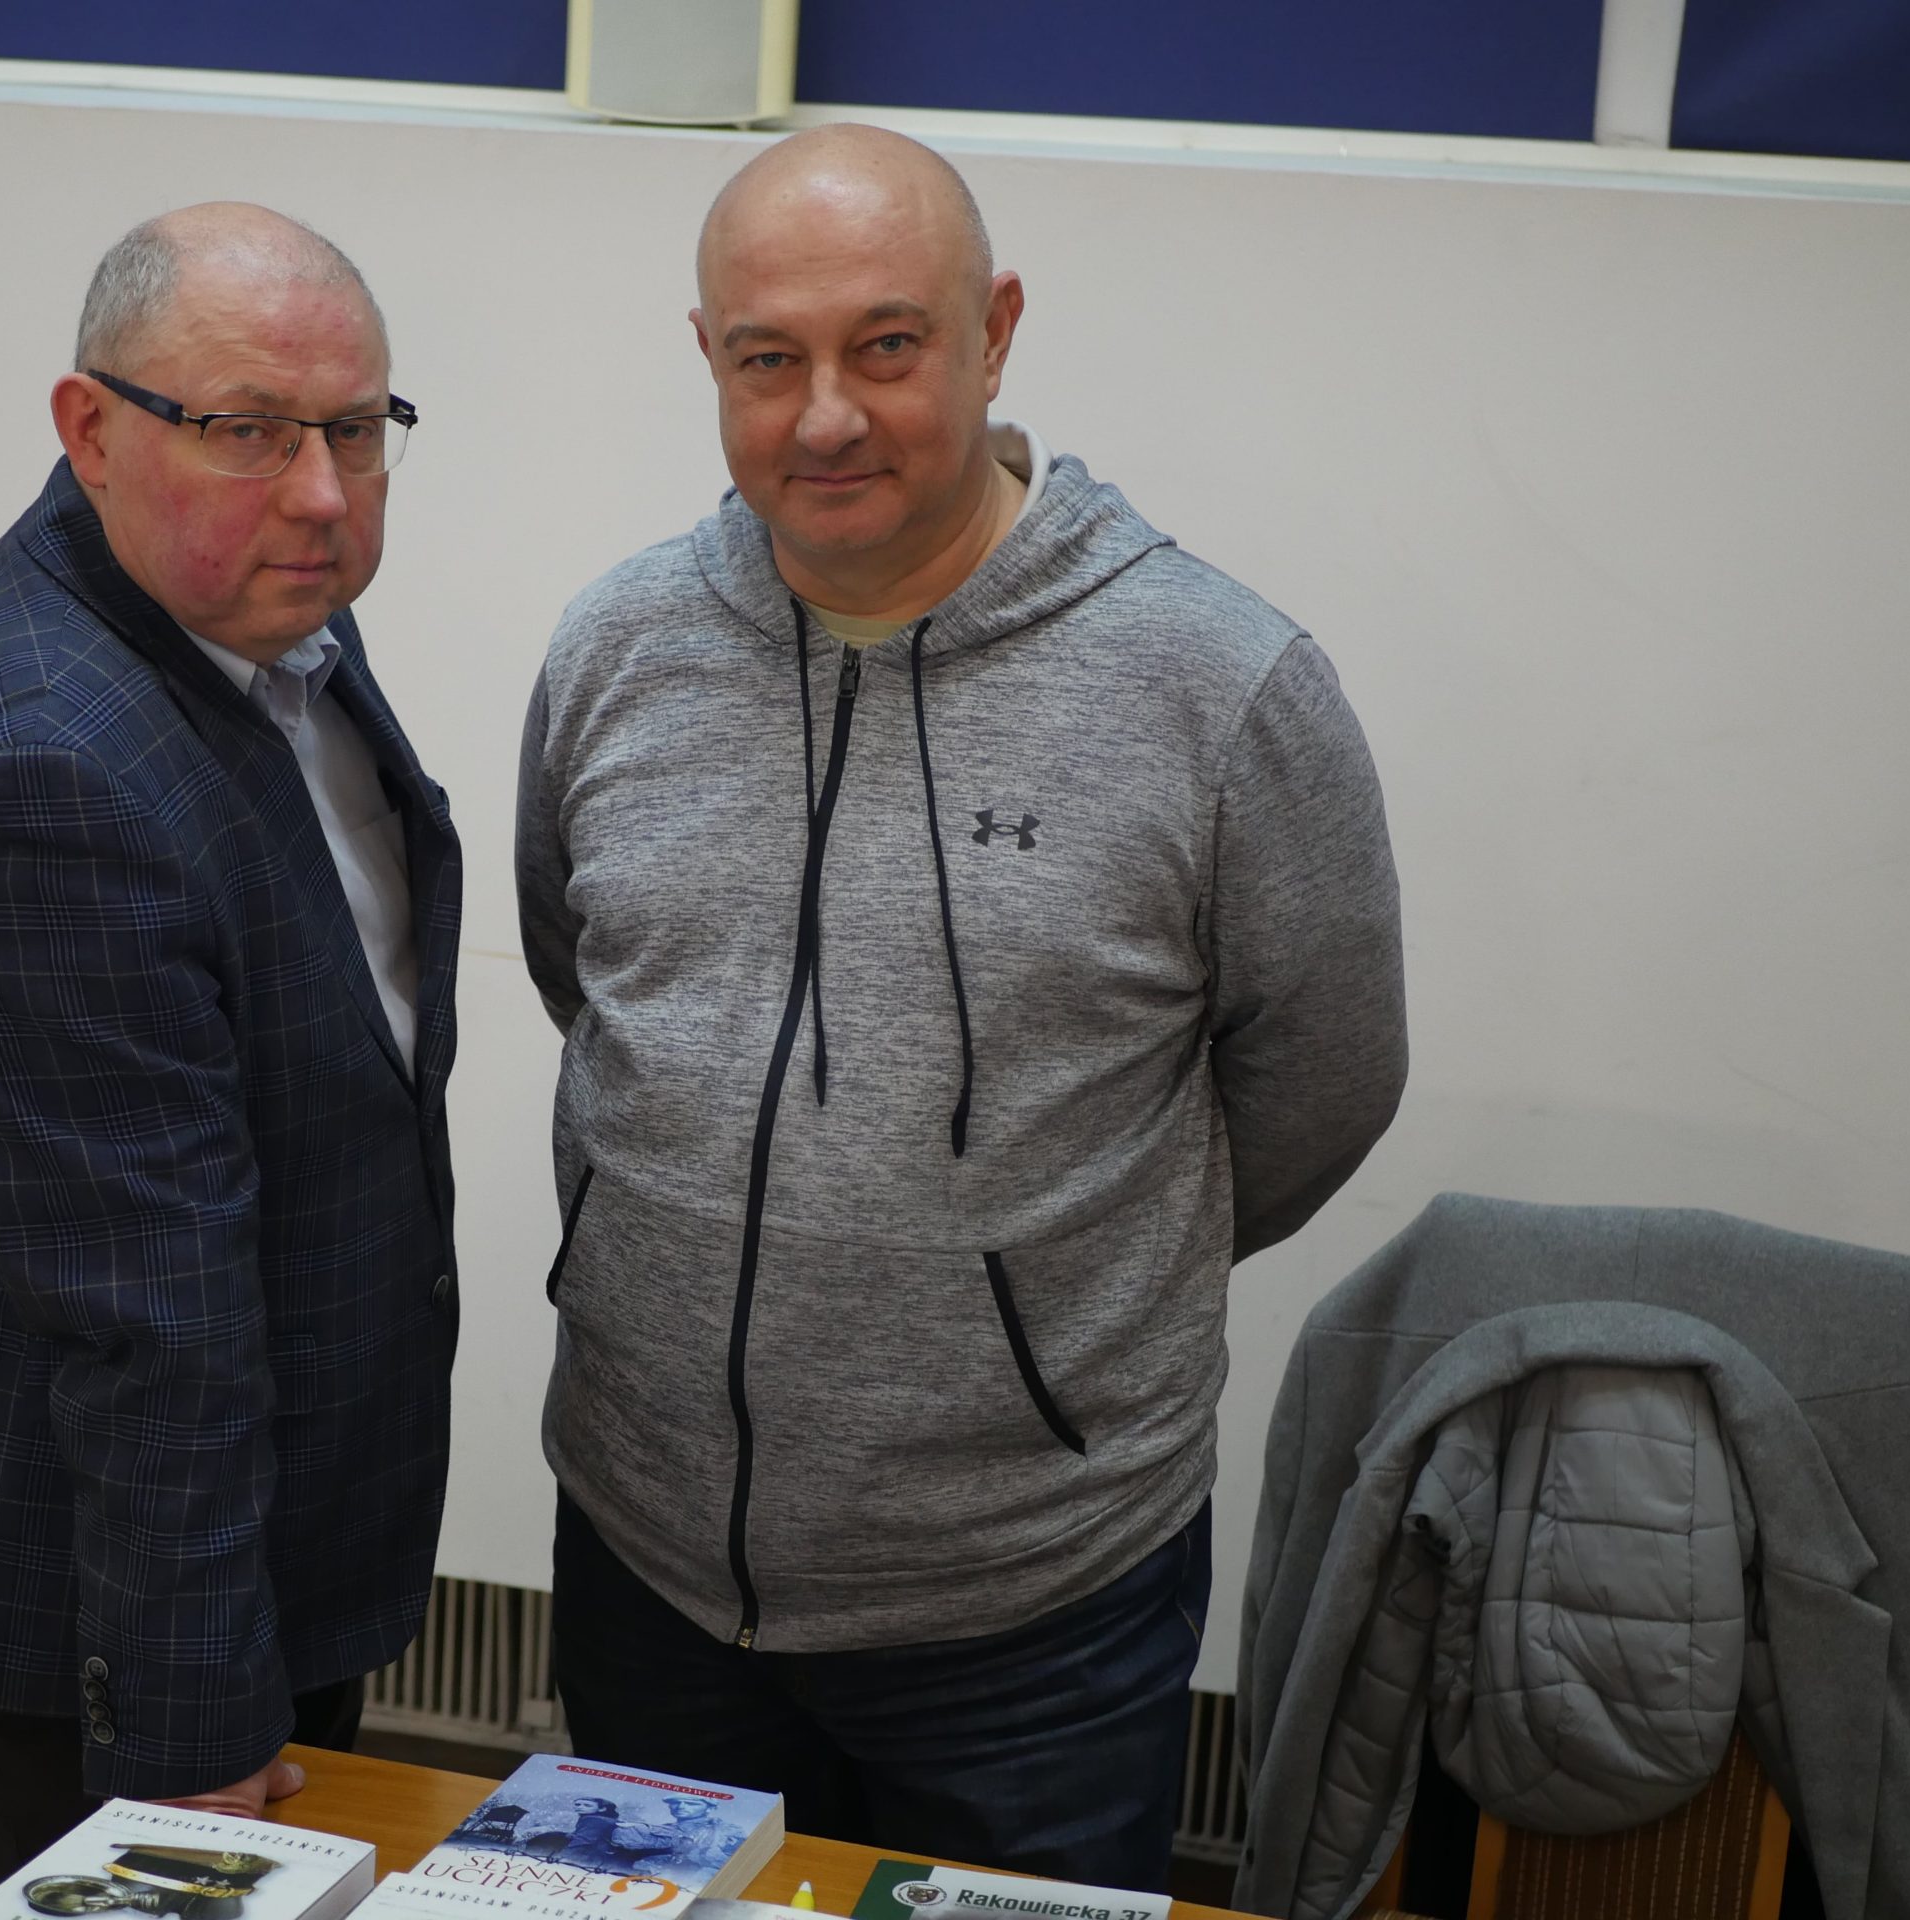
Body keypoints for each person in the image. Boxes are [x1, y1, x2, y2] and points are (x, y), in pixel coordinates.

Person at [514, 126, 1405, 1888]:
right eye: (769, 359)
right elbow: (578, 979)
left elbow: (1323, 1083)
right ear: (708, 359)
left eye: (888, 345)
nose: (826, 415)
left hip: (1033, 1616)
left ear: (995, 333)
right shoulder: (616, 648)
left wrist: (1041, 1304)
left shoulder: (1220, 687)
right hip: (646, 1564)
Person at [0, 202, 462, 1911]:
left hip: (252, 1534)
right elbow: (142, 1318)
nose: (320, 493)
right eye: (246, 429)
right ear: (89, 429)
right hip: (107, 1610)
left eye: (354, 431)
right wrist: (187, 1730)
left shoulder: (242, 607)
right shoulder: (39, 780)